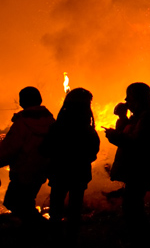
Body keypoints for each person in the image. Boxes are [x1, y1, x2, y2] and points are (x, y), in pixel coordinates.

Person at [105, 82, 150, 244]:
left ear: (138, 98)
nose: (125, 99)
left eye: (129, 96)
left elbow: (137, 144)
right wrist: (122, 117)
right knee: (131, 209)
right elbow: (127, 134)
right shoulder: (139, 116)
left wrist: (114, 136)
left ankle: (143, 243)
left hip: (139, 170)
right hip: (135, 171)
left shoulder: (147, 118)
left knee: (133, 211)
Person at [40, 87, 100, 241]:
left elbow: (46, 149)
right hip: (80, 174)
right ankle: (71, 239)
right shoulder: (87, 129)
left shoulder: (57, 127)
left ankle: (56, 238)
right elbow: (93, 153)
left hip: (59, 172)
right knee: (75, 210)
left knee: (56, 208)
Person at [0, 86, 55, 225]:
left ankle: (42, 230)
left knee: (13, 203)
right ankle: (34, 233)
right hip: (40, 170)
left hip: (23, 171)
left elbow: (10, 149)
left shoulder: (22, 123)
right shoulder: (50, 121)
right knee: (27, 203)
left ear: (23, 101)